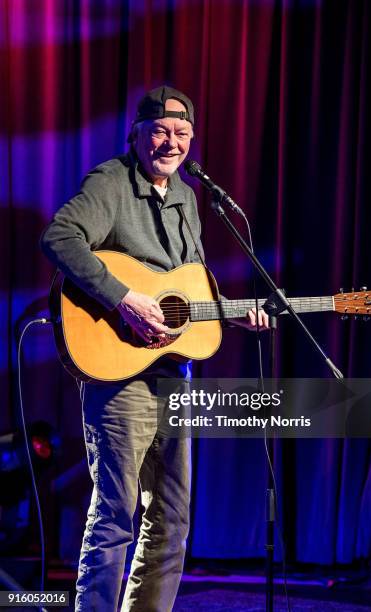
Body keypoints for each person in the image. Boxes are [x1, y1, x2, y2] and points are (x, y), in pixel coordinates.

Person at [41, 85, 268, 611]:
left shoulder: (188, 195)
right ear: (137, 134)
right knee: (116, 513)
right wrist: (123, 299)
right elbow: (61, 237)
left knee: (172, 515)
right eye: (160, 131)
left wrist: (237, 314)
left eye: (182, 133)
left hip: (172, 372)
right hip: (118, 373)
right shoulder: (111, 182)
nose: (172, 142)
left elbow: (188, 288)